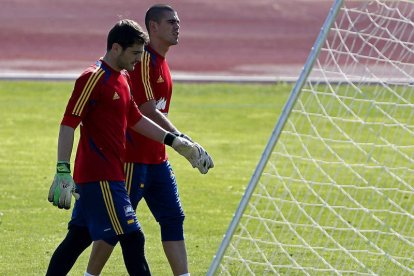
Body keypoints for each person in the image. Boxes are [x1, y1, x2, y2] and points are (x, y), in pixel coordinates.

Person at [46, 19, 212, 276]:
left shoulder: (122, 78)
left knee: (78, 237)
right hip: (99, 176)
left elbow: (135, 119)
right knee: (133, 237)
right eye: (134, 53)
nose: (138, 60)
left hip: (112, 174)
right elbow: (68, 123)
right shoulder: (93, 78)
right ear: (115, 48)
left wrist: (175, 142)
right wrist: (62, 169)